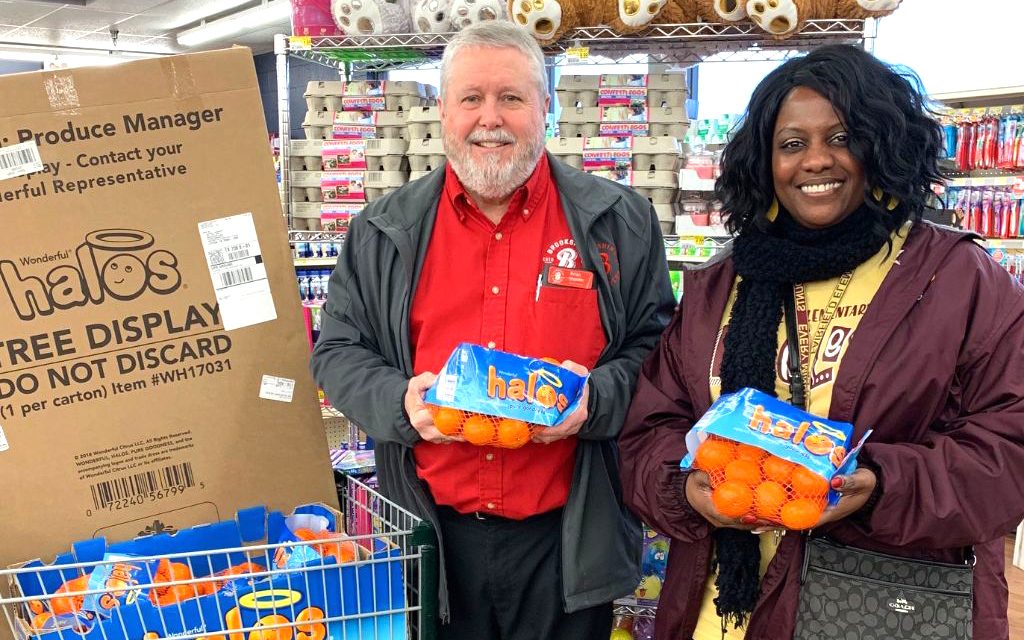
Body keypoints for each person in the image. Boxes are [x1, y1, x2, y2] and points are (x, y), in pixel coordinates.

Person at [618, 43, 1024, 640]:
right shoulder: (721, 285)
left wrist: (882, 484)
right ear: (765, 161)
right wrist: (684, 487)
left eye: (841, 138)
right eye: (791, 144)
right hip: (719, 610)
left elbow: (1009, 448)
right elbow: (651, 425)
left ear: (881, 145)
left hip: (878, 606)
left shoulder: (959, 282)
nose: (815, 161)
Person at [310, 21, 675, 640]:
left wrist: (596, 401)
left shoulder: (619, 221)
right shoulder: (383, 229)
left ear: (546, 108)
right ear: (442, 110)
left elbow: (660, 352)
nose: (490, 118)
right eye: (470, 98)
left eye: (511, 98)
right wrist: (401, 404)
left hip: (565, 539)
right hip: (433, 539)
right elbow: (338, 351)